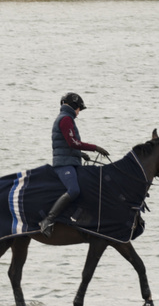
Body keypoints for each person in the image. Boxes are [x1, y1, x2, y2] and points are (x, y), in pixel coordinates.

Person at [39, 91, 108, 236]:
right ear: (74, 106)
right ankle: (48, 220)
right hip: (63, 165)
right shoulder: (66, 119)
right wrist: (95, 148)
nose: (78, 113)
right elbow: (73, 143)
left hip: (69, 161)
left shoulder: (66, 118)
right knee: (74, 190)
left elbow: (66, 145)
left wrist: (80, 154)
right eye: (79, 109)